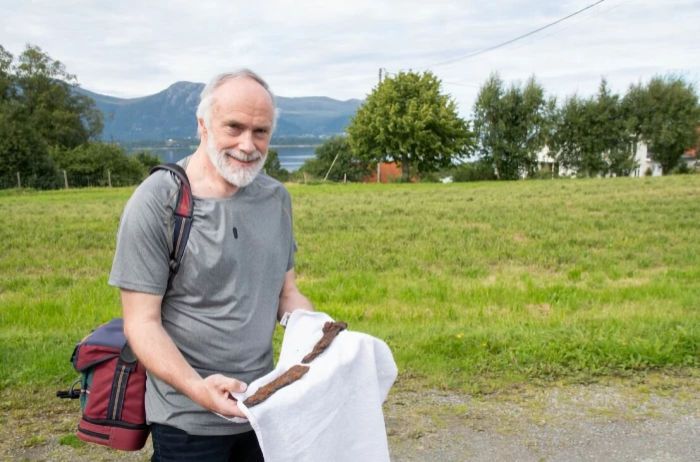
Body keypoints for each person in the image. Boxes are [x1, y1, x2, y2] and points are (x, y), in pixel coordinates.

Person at [109, 70, 314, 461]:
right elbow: (141, 323)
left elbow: (286, 295)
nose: (247, 145)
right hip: (187, 421)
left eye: (261, 131)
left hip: (263, 410)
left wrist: (323, 336)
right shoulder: (158, 201)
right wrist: (201, 390)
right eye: (233, 127)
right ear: (202, 124)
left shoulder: (275, 199)